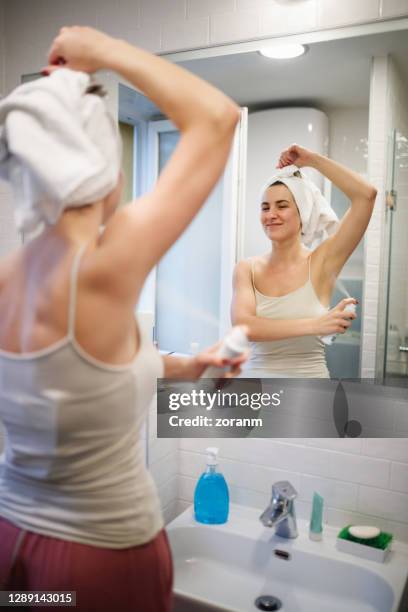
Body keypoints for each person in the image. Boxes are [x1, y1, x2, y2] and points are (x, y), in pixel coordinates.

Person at [0, 26, 242, 612]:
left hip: (17, 557)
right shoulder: (104, 266)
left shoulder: (11, 275)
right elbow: (217, 118)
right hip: (99, 564)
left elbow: (80, 375)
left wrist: (192, 365)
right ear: (101, 162)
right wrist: (99, 50)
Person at [232, 143, 377, 378]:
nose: (271, 215)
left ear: (303, 213)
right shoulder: (246, 269)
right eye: (265, 207)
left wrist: (312, 160)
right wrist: (315, 325)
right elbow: (243, 326)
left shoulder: (323, 262)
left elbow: (366, 195)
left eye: (282, 206)